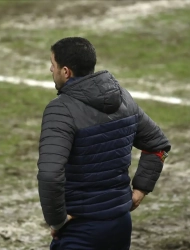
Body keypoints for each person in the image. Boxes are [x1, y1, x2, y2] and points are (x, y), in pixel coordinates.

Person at [37, 37, 171, 250]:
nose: (50, 69)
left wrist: (58, 221)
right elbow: (158, 146)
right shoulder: (123, 98)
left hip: (80, 230)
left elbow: (50, 174)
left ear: (66, 71)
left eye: (52, 65)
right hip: (120, 225)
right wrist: (139, 191)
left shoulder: (60, 109)